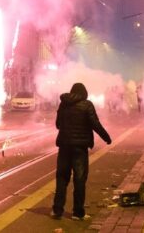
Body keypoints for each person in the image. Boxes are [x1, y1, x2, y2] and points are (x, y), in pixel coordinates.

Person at [52, 82, 112, 221]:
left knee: (61, 178)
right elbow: (95, 124)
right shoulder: (87, 105)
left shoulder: (63, 104)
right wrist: (106, 138)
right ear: (84, 93)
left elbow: (58, 124)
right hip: (80, 148)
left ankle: (57, 210)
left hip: (64, 146)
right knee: (79, 180)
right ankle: (78, 213)